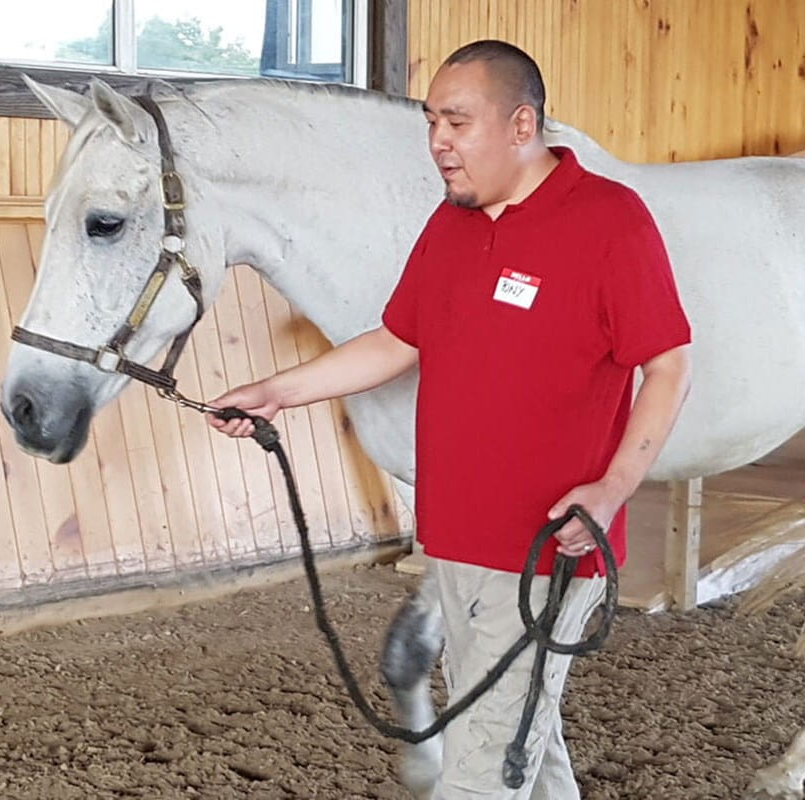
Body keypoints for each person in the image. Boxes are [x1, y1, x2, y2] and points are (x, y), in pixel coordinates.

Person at [208, 39, 692, 799]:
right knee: (522, 746)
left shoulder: (610, 222)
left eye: (458, 122)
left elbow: (668, 365)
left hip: (551, 549)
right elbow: (397, 340)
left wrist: (612, 487)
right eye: (433, 121)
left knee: (480, 769)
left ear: (521, 124)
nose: (438, 142)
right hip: (458, 540)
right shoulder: (453, 224)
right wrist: (277, 390)